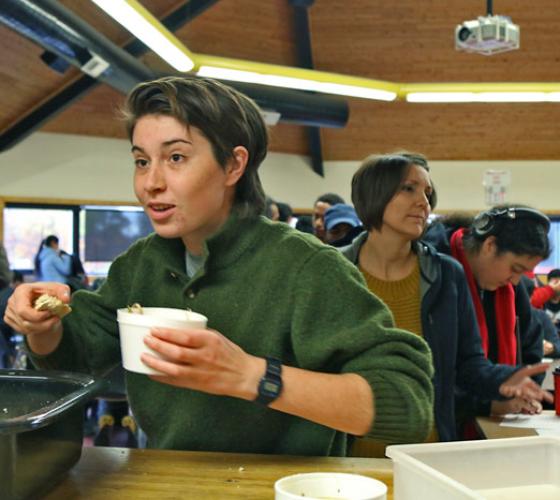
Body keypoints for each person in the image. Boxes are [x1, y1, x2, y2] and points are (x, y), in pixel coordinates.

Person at [5, 75, 435, 456]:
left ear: (233, 164)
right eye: (141, 161)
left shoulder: (306, 267)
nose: (151, 182)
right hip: (171, 482)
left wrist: (250, 375)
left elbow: (406, 402)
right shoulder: (141, 264)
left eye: (175, 158)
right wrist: (44, 327)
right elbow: (77, 359)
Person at [340, 153, 550, 454]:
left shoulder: (447, 273)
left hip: (428, 451)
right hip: (346, 454)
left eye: (427, 193)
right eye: (409, 188)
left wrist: (505, 377)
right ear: (374, 194)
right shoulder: (334, 270)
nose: (423, 202)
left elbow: (468, 365)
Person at [424, 204, 551, 432]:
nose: (515, 281)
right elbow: (437, 375)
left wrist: (523, 392)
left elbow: (531, 346)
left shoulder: (511, 288)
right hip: (436, 426)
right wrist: (487, 403)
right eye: (515, 268)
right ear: (490, 245)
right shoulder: (435, 274)